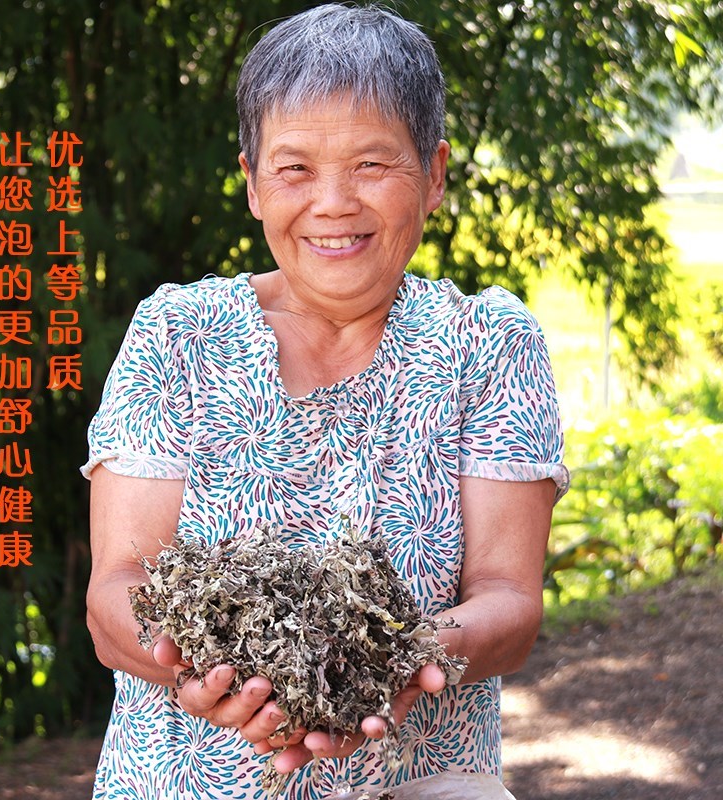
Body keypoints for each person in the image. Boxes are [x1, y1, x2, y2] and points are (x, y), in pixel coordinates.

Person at [82, 4, 569, 799]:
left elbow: (509, 604)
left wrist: (405, 659)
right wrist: (199, 670)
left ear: (435, 173)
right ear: (251, 183)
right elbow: (117, 594)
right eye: (296, 168)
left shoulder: (488, 344)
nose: (333, 203)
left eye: (373, 164)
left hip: (420, 781)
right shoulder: (179, 336)